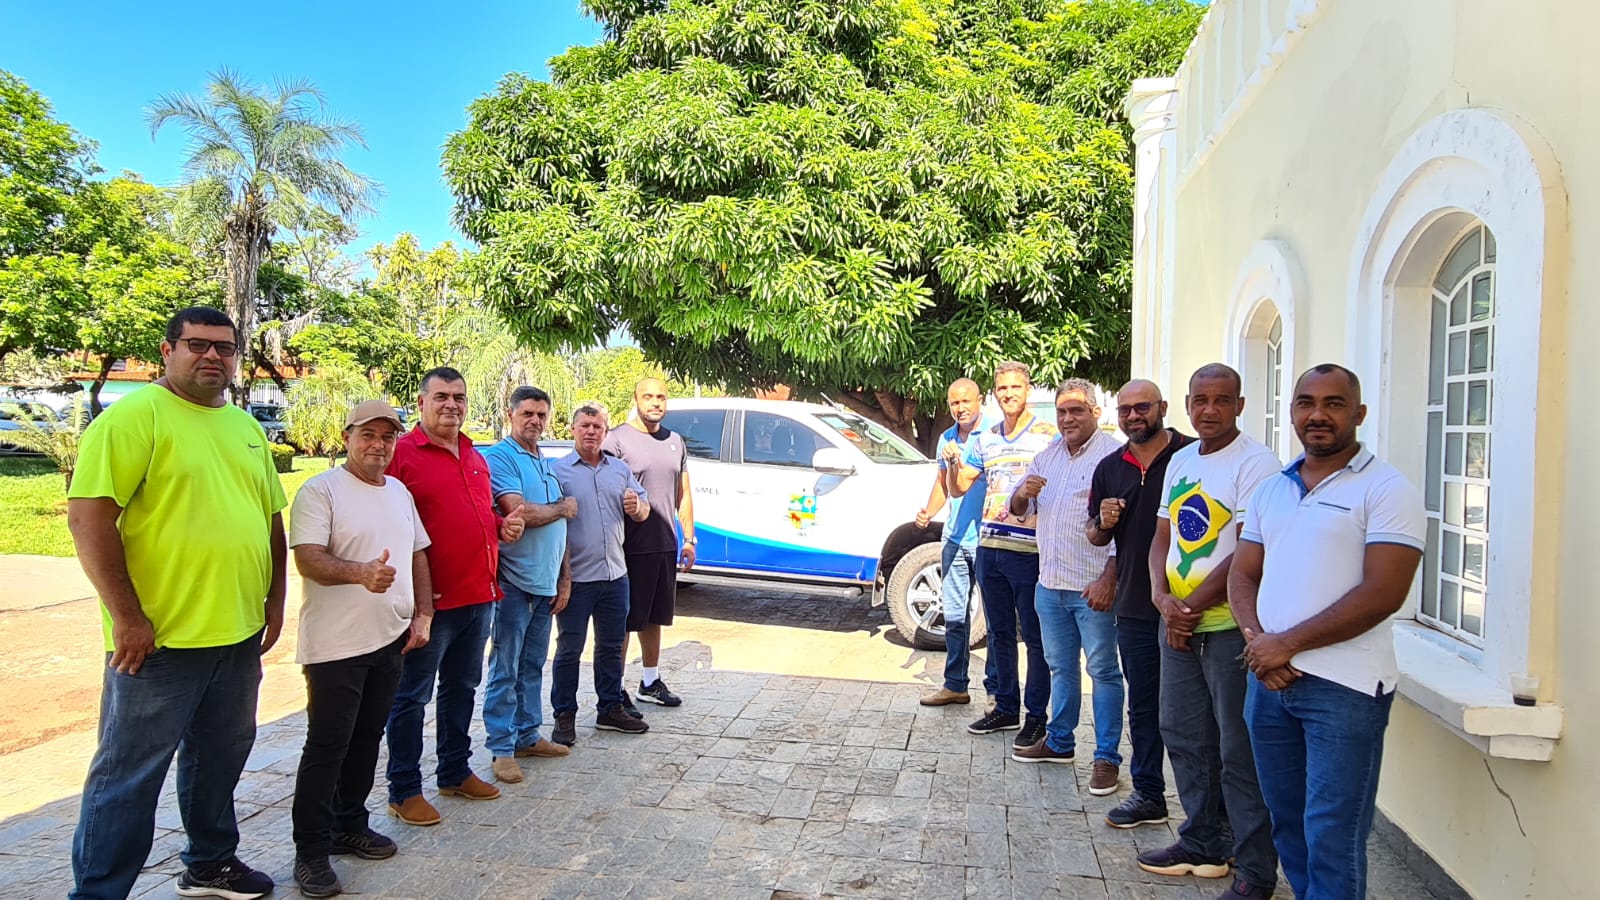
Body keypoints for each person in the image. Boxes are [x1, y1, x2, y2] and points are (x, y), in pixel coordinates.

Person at [66, 306, 286, 900]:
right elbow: (89, 521)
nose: (212, 356)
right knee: (128, 776)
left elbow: (269, 519)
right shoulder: (133, 419)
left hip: (235, 635)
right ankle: (98, 892)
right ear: (167, 352)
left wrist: (274, 599)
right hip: (158, 642)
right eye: (197, 344)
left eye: (224, 347)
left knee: (220, 759)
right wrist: (127, 617)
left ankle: (210, 864)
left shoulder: (243, 427)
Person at [1231, 365, 1424, 900]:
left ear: (1358, 414)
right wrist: (1257, 641)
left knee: (1332, 836)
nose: (1318, 415)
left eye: (1334, 404)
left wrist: (1285, 644)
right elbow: (1242, 574)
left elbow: (1383, 593)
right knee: (1288, 824)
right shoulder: (1272, 489)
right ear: (1292, 411)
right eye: (1306, 403)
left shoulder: (1388, 490)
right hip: (1269, 684)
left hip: (1345, 689)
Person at [1137, 363, 1281, 899]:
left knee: (1237, 751)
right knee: (1183, 735)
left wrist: (1189, 608)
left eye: (1222, 400)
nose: (1210, 410)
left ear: (1240, 405)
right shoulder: (1181, 460)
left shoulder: (1257, 463)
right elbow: (1162, 539)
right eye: (1200, 400)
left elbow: (1248, 552)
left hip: (1227, 631)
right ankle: (1202, 841)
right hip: (1178, 626)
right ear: (1188, 405)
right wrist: (1161, 599)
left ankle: (1255, 868)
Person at [288, 400, 433, 898]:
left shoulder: (398, 491)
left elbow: (417, 553)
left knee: (368, 736)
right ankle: (311, 851)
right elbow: (309, 559)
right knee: (328, 745)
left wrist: (423, 613)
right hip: (336, 645)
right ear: (347, 437)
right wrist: (360, 574)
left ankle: (349, 824)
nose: (378, 445)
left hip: (389, 638)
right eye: (368, 435)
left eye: (387, 436)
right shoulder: (320, 490)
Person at [384, 367, 524, 826]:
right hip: (431, 604)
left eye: (459, 397)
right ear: (421, 403)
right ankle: (404, 790)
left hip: (478, 596)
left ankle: (454, 771)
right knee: (411, 697)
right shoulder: (402, 455)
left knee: (461, 688)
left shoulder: (474, 455)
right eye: (441, 396)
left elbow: (478, 513)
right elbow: (387, 524)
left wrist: (501, 526)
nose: (451, 405)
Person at [1008, 380, 1125, 799]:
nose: (1068, 418)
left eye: (1076, 410)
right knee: (1061, 667)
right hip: (1050, 585)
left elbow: (1125, 529)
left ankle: (1107, 757)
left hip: (1092, 588)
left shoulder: (1114, 457)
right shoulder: (1047, 456)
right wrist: (1021, 492)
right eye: (1061, 411)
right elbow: (1019, 510)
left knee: (1104, 672)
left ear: (1096, 412)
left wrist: (1110, 578)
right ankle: (1060, 742)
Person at [1087, 379, 1194, 828]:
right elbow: (1095, 535)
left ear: (1163, 407)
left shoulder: (1192, 456)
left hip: (1192, 605)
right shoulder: (1110, 467)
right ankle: (1149, 793)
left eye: (1142, 407)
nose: (1133, 416)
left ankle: (1212, 814)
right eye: (1125, 409)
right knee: (1144, 706)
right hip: (1134, 604)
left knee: (1193, 714)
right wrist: (1103, 522)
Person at [951, 361, 1058, 747]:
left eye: (1015, 387)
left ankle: (1036, 717)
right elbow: (959, 486)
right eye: (1002, 388)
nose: (1008, 394)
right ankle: (1006, 707)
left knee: (1034, 637)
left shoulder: (1049, 436)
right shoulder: (986, 439)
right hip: (990, 547)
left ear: (1028, 389)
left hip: (1030, 551)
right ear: (994, 394)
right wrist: (952, 462)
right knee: (999, 634)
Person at [481, 386, 575, 785]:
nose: (535, 421)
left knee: (533, 664)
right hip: (513, 583)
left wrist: (564, 576)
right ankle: (501, 747)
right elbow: (518, 512)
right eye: (527, 414)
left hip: (545, 582)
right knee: (505, 666)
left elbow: (558, 528)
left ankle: (527, 734)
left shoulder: (544, 462)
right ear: (511, 415)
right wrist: (562, 507)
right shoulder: (500, 457)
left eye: (541, 414)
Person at [551, 402, 652, 743]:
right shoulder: (558, 472)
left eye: (597, 427)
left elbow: (644, 510)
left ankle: (610, 709)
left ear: (606, 432)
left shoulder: (619, 470)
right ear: (573, 429)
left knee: (610, 647)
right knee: (569, 649)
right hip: (577, 579)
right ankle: (564, 715)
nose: (591, 431)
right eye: (585, 425)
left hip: (615, 576)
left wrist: (637, 507)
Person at [603, 377, 697, 710]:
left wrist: (689, 538)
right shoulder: (616, 440)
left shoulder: (675, 441)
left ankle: (649, 681)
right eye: (648, 396)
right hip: (627, 547)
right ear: (636, 400)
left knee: (655, 617)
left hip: (664, 544)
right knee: (625, 620)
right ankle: (614, 689)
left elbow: (683, 493)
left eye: (661, 397)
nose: (655, 402)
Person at [917, 378, 993, 707]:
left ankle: (996, 693)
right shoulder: (947, 438)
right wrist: (929, 511)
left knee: (995, 621)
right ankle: (955, 685)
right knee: (955, 617)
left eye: (966, 401)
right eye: (954, 403)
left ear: (980, 399)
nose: (960, 408)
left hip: (988, 540)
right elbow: (943, 485)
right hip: (955, 538)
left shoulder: (994, 433)